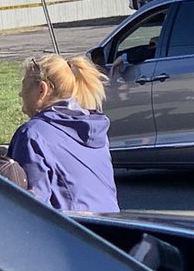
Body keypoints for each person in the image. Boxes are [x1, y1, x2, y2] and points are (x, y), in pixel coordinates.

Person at [7, 55, 120, 213]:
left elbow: (31, 209)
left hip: (72, 231)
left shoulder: (33, 134)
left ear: (42, 89)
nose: (20, 94)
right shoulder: (94, 128)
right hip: (113, 228)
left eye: (24, 86)